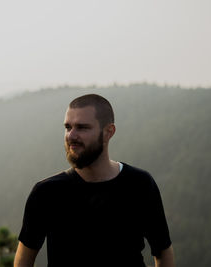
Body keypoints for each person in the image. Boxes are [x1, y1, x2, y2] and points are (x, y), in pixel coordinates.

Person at [14, 94, 175, 267]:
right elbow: (24, 259)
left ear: (109, 132)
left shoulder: (140, 184)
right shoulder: (46, 192)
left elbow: (163, 251)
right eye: (68, 127)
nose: (71, 136)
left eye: (82, 127)